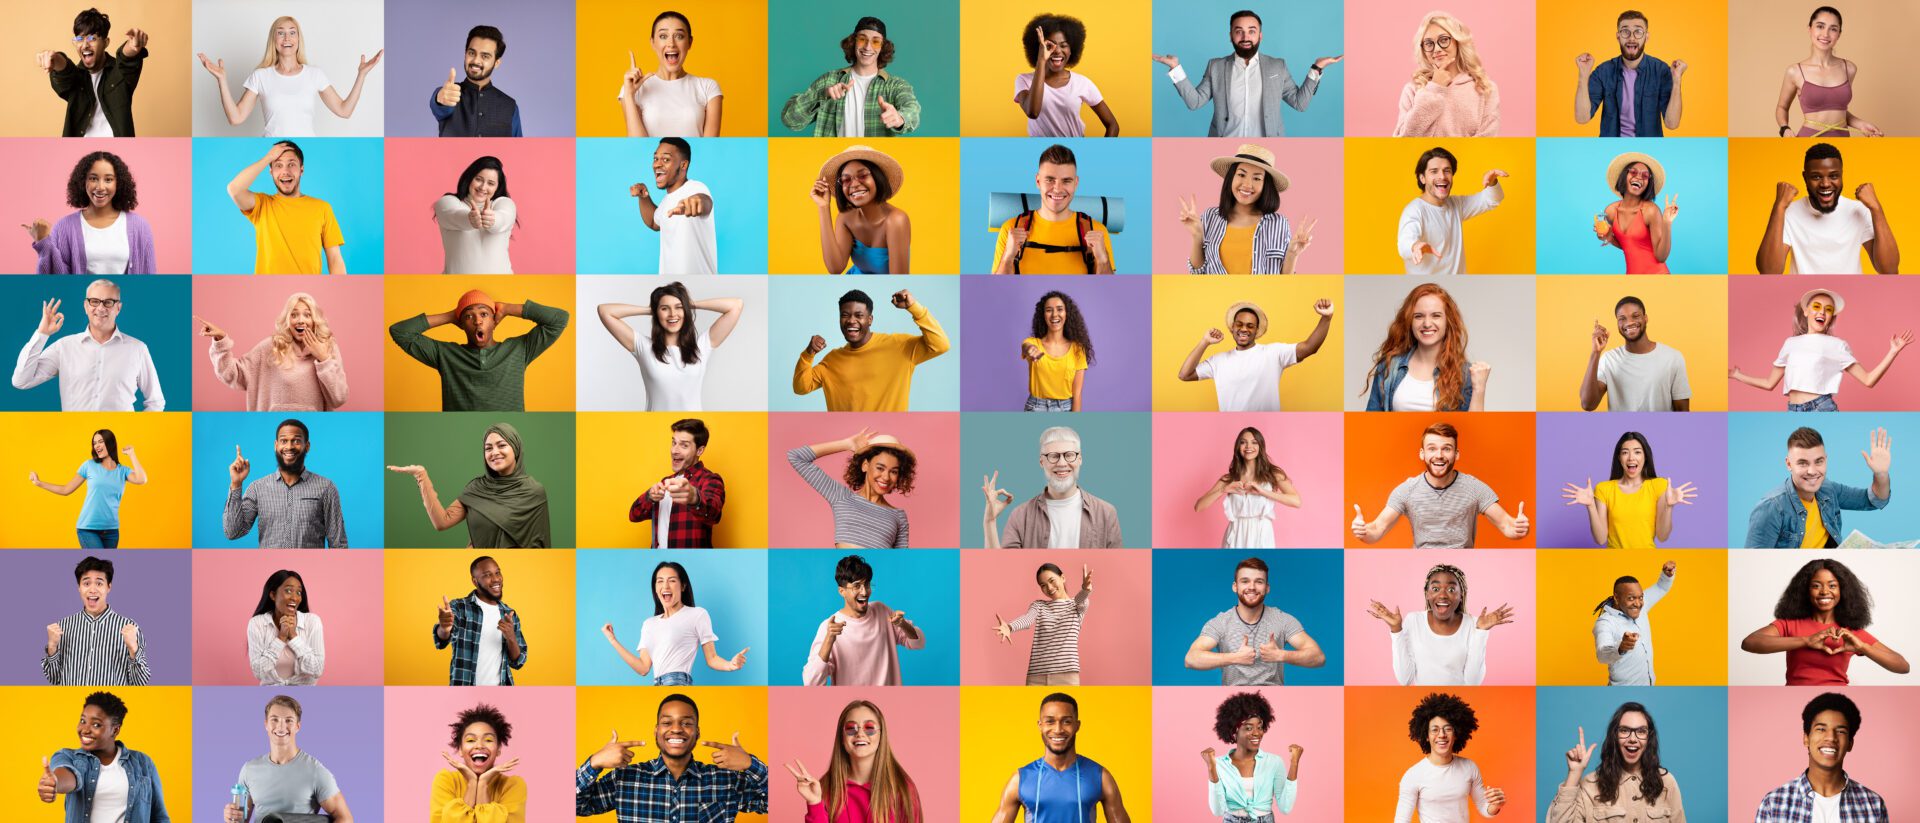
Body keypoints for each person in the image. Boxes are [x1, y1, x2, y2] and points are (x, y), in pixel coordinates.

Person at [575, 693, 769, 822]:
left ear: (697, 732)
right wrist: (594, 763)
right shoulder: (625, 778)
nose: (676, 729)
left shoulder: (726, 780)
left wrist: (750, 764)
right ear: (656, 731)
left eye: (686, 723)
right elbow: (576, 806)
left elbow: (770, 802)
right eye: (667, 722)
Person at [1152, 10, 1340, 137]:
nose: (1245, 37)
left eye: (1251, 31)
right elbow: (1195, 102)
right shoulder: (1216, 66)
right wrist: (1175, 68)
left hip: (1267, 149)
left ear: (1260, 35)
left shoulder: (1277, 66)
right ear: (1231, 35)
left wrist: (1316, 69)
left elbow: (1300, 103)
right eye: (1239, 31)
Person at [388, 287, 570, 412]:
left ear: (494, 320)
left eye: (484, 314)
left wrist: (507, 308)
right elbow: (400, 332)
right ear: (461, 324)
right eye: (468, 316)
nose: (477, 321)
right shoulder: (445, 355)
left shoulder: (519, 349)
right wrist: (452, 315)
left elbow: (559, 319)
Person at [195, 16, 380, 137]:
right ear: (273, 40)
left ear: (298, 40)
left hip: (307, 151)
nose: (287, 38)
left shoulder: (314, 74)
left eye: (292, 33)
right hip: (272, 150)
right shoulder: (260, 76)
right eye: (281, 33)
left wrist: (361, 75)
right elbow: (236, 118)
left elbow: (344, 111)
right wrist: (221, 80)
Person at [1352, 423, 1530, 549]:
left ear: (1456, 454)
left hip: (1463, 567)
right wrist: (1363, 531)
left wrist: (1518, 527)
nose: (1439, 455)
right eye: (1432, 448)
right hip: (1419, 567)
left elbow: (1507, 525)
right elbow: (1377, 528)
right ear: (1422, 454)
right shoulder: (1406, 490)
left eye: (1446, 448)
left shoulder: (1474, 488)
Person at [1730, 289, 1910, 411]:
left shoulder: (1836, 345)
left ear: (1831, 318)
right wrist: (1738, 375)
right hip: (1793, 410)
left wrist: (1893, 352)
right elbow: (1769, 384)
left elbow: (1868, 380)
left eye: (1828, 309)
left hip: (1821, 408)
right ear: (1806, 311)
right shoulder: (1790, 343)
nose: (1822, 312)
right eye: (1816, 307)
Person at [1740, 557, 1909, 685]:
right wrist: (1806, 641)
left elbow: (1902, 666)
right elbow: (1749, 643)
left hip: (1838, 702)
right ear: (1805, 591)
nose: (1824, 591)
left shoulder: (1850, 632)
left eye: (1832, 585)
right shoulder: (1789, 624)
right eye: (1816, 585)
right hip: (1793, 701)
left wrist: (1862, 647)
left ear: (1843, 591)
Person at [388, 422, 551, 549]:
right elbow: (442, 522)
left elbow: (539, 545)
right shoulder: (477, 488)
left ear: (515, 448)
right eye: (488, 448)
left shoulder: (534, 492)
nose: (494, 452)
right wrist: (421, 476)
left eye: (501, 445)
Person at [13, 280, 164, 411]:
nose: (101, 308)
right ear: (86, 306)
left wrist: (133, 431)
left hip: (118, 438)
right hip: (75, 436)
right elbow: (21, 381)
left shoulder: (137, 349)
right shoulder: (64, 347)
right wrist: (42, 334)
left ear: (118, 308)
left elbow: (155, 402)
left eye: (108, 302)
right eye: (94, 301)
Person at [793, 289, 949, 412]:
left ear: (870, 320)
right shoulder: (832, 360)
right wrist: (809, 353)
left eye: (859, 315)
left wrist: (915, 308)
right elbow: (801, 387)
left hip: (888, 438)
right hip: (851, 441)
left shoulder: (900, 346)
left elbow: (940, 344)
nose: (851, 320)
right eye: (845, 315)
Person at [597, 282, 743, 412]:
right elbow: (605, 311)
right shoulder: (644, 347)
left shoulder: (702, 346)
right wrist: (651, 309)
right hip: (653, 427)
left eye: (679, 307)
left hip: (691, 427)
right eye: (665, 309)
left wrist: (689, 304)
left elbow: (736, 305)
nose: (672, 314)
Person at [1756, 143, 1900, 274]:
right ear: (1805, 177)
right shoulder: (1789, 213)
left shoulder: (1858, 210)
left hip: (1850, 298)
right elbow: (1768, 273)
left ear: (1841, 175)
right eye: (1816, 177)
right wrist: (1779, 207)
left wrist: (1876, 209)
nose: (1825, 184)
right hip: (1805, 299)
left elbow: (1889, 270)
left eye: (1834, 176)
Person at [989, 693, 1133, 823]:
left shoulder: (1100, 776)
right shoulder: (1020, 779)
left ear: (1077, 725)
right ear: (1040, 725)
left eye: (1066, 721)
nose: (1058, 729)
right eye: (1050, 721)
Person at [197, 292, 350, 412]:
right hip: (273, 424)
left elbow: (339, 398)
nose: (301, 320)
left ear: (315, 320)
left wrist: (323, 359)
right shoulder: (271, 346)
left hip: (307, 427)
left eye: (307, 314)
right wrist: (220, 340)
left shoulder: (328, 347)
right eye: (294, 314)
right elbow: (233, 375)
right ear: (287, 319)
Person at [1183, 557, 1326, 685]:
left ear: (1267, 588)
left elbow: (1318, 657)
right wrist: (1235, 658)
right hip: (1235, 699)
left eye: (1259, 582)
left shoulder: (1282, 620)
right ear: (1235, 586)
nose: (1251, 587)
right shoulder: (1221, 622)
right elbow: (1191, 659)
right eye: (1245, 581)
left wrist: (1281, 655)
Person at [1366, 564, 1515, 686]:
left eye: (1451, 589)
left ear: (1461, 594)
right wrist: (1396, 630)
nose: (1443, 595)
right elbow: (1404, 680)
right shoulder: (1414, 621)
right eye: (1435, 589)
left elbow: (1473, 682)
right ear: (1427, 594)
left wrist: (1481, 632)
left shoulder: (1473, 624)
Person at [1179, 144, 1317, 274]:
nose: (1247, 184)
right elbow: (1197, 274)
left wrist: (1292, 255)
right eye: (1241, 174)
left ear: (1266, 185)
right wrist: (1197, 237)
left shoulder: (1278, 224)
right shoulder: (1210, 217)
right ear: (1231, 177)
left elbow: (1283, 283)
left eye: (1257, 178)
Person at [1753, 692, 1889, 822]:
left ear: (1850, 744)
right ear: (1806, 738)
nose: (1831, 737)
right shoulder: (1774, 804)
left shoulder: (1873, 805)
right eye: (1821, 729)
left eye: (1841, 731)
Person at [1745, 426, 1892, 548]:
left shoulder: (1828, 489)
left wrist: (1881, 474)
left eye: (1818, 461)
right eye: (1803, 463)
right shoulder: (1771, 507)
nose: (1812, 471)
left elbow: (1874, 500)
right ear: (1789, 464)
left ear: (1826, 460)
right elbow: (1754, 564)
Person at [602, 562, 745, 685]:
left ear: (683, 586)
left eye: (671, 580)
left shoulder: (697, 614)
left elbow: (712, 658)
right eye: (660, 581)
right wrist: (613, 640)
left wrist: (730, 665)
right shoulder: (649, 624)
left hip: (678, 682)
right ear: (655, 588)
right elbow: (643, 668)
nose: (665, 586)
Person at [1177, 300, 1333, 412]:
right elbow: (1185, 374)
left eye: (1250, 326)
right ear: (1232, 327)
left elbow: (1309, 347)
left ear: (1256, 330)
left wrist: (1326, 318)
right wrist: (1205, 341)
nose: (1244, 329)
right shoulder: (1218, 361)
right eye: (1239, 324)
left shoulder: (1273, 353)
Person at [982, 426, 1124, 549]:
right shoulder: (1020, 516)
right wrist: (990, 521)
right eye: (1053, 456)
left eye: (1069, 455)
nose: (1062, 463)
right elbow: (1003, 570)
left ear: (1080, 459)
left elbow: (1115, 570)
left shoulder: (1106, 513)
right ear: (1041, 461)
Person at [36, 691, 170, 821]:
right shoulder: (67, 756)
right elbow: (69, 777)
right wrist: (55, 783)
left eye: (96, 724)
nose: (85, 729)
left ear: (115, 730)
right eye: (83, 721)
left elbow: (159, 817)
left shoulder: (143, 763)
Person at [784, 700, 923, 823]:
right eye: (851, 728)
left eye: (869, 728)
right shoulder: (825, 788)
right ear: (842, 738)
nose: (860, 734)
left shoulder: (902, 788)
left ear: (882, 735)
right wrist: (814, 803)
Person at [223, 695, 355, 823]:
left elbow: (345, 818)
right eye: (274, 719)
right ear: (266, 724)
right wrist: (231, 817)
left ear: (297, 726)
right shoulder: (249, 769)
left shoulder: (315, 771)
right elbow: (240, 819)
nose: (281, 727)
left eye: (288, 720)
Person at [781, 16, 920, 137]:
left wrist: (900, 118)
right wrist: (822, 95)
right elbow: (790, 120)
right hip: (834, 161)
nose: (867, 47)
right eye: (862, 39)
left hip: (872, 163)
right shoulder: (829, 80)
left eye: (876, 41)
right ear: (853, 42)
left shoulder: (895, 85)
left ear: (883, 47)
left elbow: (912, 109)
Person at [1547, 703, 1684, 822]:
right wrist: (1574, 773)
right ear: (1614, 736)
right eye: (1624, 730)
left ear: (1649, 738)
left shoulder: (1666, 782)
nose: (1632, 739)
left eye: (1641, 731)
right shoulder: (1590, 786)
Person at [24, 151, 158, 274]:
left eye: (108, 179)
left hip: (127, 301)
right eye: (93, 178)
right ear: (83, 182)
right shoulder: (64, 227)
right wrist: (43, 241)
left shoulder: (140, 226)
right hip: (80, 300)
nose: (100, 187)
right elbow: (55, 281)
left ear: (119, 184)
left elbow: (149, 281)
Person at [803, 555, 926, 686]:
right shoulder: (829, 628)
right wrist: (829, 640)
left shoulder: (882, 610)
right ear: (842, 591)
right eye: (857, 586)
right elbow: (811, 683)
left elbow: (918, 643)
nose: (865, 592)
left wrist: (903, 624)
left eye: (866, 584)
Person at [1561, 432, 1699, 549]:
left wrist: (1669, 506)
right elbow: (1600, 539)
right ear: (1619, 458)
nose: (1631, 457)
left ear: (1645, 457)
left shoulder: (1658, 485)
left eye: (1637, 452)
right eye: (1625, 452)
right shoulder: (1604, 489)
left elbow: (1662, 536)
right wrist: (1590, 506)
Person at [992, 144, 1116, 274]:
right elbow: (996, 291)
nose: (1057, 189)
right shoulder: (1010, 230)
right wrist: (1007, 257)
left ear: (1076, 183)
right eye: (1050, 180)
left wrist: (1103, 260)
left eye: (1066, 181)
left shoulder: (1097, 231)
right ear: (1038, 181)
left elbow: (1108, 292)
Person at [224, 419, 348, 549]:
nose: (289, 447)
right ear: (276, 445)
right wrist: (236, 483)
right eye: (284, 441)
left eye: (296, 441)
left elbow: (338, 544)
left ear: (307, 446)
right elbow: (233, 532)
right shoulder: (257, 488)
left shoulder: (326, 488)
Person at [1362, 283, 1486, 412]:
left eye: (1436, 315)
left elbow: (1472, 429)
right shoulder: (1389, 366)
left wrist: (1479, 389)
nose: (1427, 324)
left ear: (1448, 321)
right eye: (1419, 316)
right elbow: (1370, 424)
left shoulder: (1465, 374)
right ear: (1410, 321)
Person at [226, 141, 346, 274]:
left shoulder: (323, 208)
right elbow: (234, 189)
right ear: (271, 172)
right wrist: (268, 158)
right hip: (267, 289)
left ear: (301, 170)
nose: (285, 171)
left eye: (291, 164)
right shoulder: (262, 205)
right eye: (278, 165)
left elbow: (335, 260)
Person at [788, 429, 914, 550]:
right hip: (844, 571)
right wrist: (846, 444)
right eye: (880, 468)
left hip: (879, 572)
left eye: (893, 471)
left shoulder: (898, 516)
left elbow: (902, 564)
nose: (886, 477)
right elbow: (796, 457)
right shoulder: (842, 497)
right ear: (865, 465)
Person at [1393, 692, 1506, 822]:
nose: (1442, 735)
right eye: (1435, 729)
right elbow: (1402, 820)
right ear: (1426, 736)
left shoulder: (1469, 767)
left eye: (1448, 729)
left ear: (1456, 733)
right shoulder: (1413, 775)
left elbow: (1484, 807)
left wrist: (1496, 804)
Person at [1398, 146, 1509, 275]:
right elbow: (1405, 242)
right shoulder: (1414, 210)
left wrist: (1492, 182)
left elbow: (1491, 200)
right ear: (1422, 178)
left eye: (1447, 171)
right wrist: (1415, 246)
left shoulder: (1456, 205)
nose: (1442, 176)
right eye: (1434, 171)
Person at [1775, 7, 1883, 138]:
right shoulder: (1795, 71)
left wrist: (1861, 124)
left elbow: (1838, 110)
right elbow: (1782, 107)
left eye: (1833, 29)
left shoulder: (1849, 68)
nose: (1826, 34)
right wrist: (1785, 129)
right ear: (1810, 29)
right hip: (1808, 141)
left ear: (1839, 34)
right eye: (1820, 26)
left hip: (1843, 141)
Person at [29, 429, 147, 549]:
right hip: (88, 529)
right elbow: (66, 490)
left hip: (112, 531)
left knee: (106, 567)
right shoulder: (89, 465)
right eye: (94, 443)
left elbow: (141, 479)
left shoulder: (123, 471)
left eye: (100, 441)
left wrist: (132, 454)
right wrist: (39, 483)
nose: (97, 446)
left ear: (110, 443)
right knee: (97, 563)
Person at [38, 8, 148, 136]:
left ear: (106, 42)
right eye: (79, 39)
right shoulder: (75, 77)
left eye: (92, 38)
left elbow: (126, 59)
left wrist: (133, 46)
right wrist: (54, 58)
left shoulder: (119, 74)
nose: (84, 45)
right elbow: (64, 71)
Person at [1574, 11, 1686, 136]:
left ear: (1646, 37)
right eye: (1625, 32)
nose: (1631, 38)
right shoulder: (1603, 71)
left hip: (1648, 149)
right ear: (1618, 37)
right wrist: (1583, 76)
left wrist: (1676, 81)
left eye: (1638, 32)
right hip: (1612, 149)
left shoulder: (1661, 71)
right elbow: (1582, 118)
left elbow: (1672, 124)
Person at [42, 556, 149, 686]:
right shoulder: (62, 627)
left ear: (109, 587)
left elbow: (140, 683)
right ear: (79, 587)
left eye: (99, 583)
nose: (92, 590)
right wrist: (52, 647)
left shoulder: (129, 628)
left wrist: (133, 649)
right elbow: (54, 679)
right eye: (86, 583)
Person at [1393, 11, 1500, 137]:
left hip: (1469, 158)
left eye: (1443, 40)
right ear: (1423, 49)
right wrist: (1435, 88)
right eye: (1429, 43)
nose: (1437, 49)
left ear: (1457, 42)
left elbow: (1487, 143)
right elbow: (1403, 141)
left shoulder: (1484, 88)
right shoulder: (1413, 90)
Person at [1578, 296, 1692, 412]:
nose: (1629, 322)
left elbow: (1682, 411)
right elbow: (1588, 404)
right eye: (1622, 318)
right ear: (1617, 323)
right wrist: (1595, 353)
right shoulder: (1609, 359)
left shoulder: (1673, 358)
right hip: (1623, 430)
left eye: (1635, 316)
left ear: (1646, 318)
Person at [1193, 429, 1302, 549]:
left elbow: (1296, 501)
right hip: (1235, 534)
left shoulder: (1273, 473)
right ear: (1238, 447)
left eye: (1254, 442)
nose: (1249, 446)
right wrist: (1224, 489)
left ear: (1260, 446)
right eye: (1243, 442)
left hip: (1261, 533)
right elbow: (1198, 507)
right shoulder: (1230, 478)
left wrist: (1263, 491)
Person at [619, 11, 722, 137]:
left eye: (679, 36)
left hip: (695, 158)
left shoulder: (708, 87)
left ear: (689, 42)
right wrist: (629, 96)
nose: (671, 44)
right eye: (663, 36)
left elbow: (709, 148)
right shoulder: (633, 90)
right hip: (649, 158)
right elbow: (638, 147)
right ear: (652, 42)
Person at [1203, 692, 1304, 820]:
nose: (1257, 733)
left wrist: (1294, 763)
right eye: (1249, 728)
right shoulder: (1219, 764)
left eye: (1260, 727)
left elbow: (1285, 807)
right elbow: (1218, 811)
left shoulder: (1274, 762)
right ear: (1234, 731)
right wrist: (1211, 768)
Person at [812, 145, 912, 274]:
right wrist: (823, 207)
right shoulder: (845, 218)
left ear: (877, 177)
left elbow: (899, 280)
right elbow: (835, 268)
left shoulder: (896, 220)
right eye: (846, 179)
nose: (854, 184)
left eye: (863, 175)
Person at [1015, 14, 1119, 137]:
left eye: (1063, 45)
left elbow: (1112, 124)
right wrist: (1041, 60)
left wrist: (1103, 153)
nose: (1058, 50)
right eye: (1049, 45)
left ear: (1072, 50)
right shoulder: (1024, 80)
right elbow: (1032, 112)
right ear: (1039, 49)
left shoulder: (1082, 83)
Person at [629, 419, 726, 548]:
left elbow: (714, 513)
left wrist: (694, 498)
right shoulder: (665, 482)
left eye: (684, 445)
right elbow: (634, 515)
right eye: (674, 443)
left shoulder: (710, 479)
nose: (674, 450)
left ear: (699, 451)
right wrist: (649, 497)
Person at [431, 556, 528, 686]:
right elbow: (442, 639)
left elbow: (518, 661)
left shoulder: (509, 614)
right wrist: (444, 628)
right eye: (487, 575)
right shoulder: (460, 607)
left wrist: (511, 637)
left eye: (497, 572)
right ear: (475, 581)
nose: (496, 579)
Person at [992, 563, 1094, 686]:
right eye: (1043, 585)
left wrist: (1084, 589)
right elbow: (1028, 619)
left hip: (1066, 676)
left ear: (1063, 578)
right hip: (1036, 677)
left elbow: (1081, 600)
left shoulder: (1076, 606)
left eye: (1052, 581)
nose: (1049, 588)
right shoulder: (1039, 605)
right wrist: (1010, 627)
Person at [632, 137, 716, 274]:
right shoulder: (666, 201)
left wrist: (696, 201)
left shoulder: (696, 188)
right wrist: (644, 197)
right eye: (655, 159)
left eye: (665, 159)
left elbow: (704, 202)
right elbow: (654, 222)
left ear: (683, 165)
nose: (656, 165)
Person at [434, 703, 526, 823]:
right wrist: (472, 783)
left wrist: (482, 784)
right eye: (471, 740)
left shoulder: (513, 785)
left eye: (488, 740)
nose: (479, 746)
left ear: (498, 749)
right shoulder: (446, 780)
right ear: (460, 749)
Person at [1590, 561, 1676, 686]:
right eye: (1631, 598)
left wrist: (1666, 575)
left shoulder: (1641, 605)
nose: (1638, 603)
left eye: (1640, 597)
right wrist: (1621, 647)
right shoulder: (1605, 623)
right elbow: (1602, 655)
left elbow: (1660, 587)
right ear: (1616, 598)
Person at [1593, 153, 1679, 273]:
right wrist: (1608, 238)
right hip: (1632, 278)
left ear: (1648, 183)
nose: (1639, 177)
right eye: (1633, 172)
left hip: (1658, 278)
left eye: (1645, 176)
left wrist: (1667, 223)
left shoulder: (1650, 210)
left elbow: (1661, 257)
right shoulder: (1611, 211)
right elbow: (1630, 245)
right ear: (1624, 176)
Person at [434, 156, 518, 274]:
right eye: (478, 179)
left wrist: (492, 220)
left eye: (491, 183)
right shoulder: (447, 202)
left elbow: (504, 218)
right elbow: (454, 215)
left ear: (497, 187)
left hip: (502, 286)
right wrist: (469, 219)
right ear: (469, 178)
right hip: (454, 288)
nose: (483, 187)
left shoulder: (505, 203)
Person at [431, 25, 520, 137]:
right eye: (472, 53)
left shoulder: (510, 106)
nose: (476, 60)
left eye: (485, 56)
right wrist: (439, 98)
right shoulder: (450, 94)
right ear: (465, 54)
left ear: (496, 63)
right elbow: (439, 104)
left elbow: (518, 151)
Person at [246, 570, 325, 686]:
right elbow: (258, 672)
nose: (295, 597)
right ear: (273, 595)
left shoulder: (312, 621)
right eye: (288, 591)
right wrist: (281, 637)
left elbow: (317, 670)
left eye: (299, 592)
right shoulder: (257, 623)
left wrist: (293, 636)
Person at [1021, 290, 1095, 412]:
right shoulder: (1034, 343)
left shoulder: (1077, 349)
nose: (1055, 314)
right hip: (1035, 407)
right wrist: (1029, 349)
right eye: (1049, 310)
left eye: (1060, 309)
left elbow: (1077, 395)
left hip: (1065, 408)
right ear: (1043, 315)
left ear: (1067, 313)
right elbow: (1025, 346)